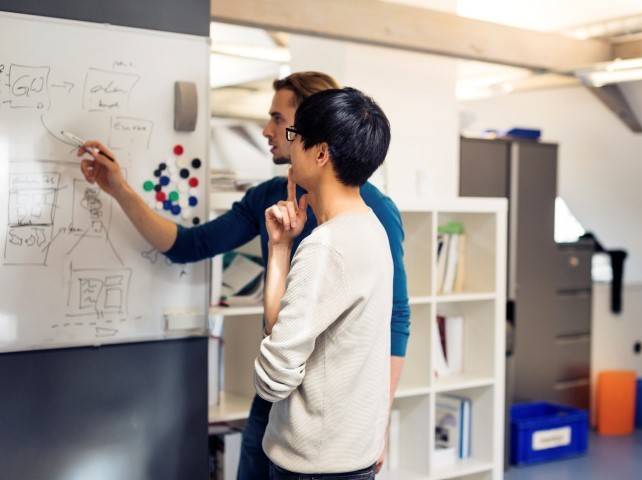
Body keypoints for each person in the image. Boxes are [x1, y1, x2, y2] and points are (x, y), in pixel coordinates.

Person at [77, 71, 410, 479]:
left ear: (317, 140)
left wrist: (378, 422)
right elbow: (189, 246)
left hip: (326, 421)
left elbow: (394, 318)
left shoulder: (368, 217)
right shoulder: (272, 198)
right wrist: (120, 190)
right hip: (282, 408)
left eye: (281, 121)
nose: (269, 131)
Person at [256, 86, 392, 479]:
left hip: (312, 465)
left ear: (320, 153)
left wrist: (265, 367)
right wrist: (280, 249)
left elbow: (273, 377)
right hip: (347, 456)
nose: (287, 143)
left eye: (294, 135)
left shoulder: (328, 247)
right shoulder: (369, 228)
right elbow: (280, 328)